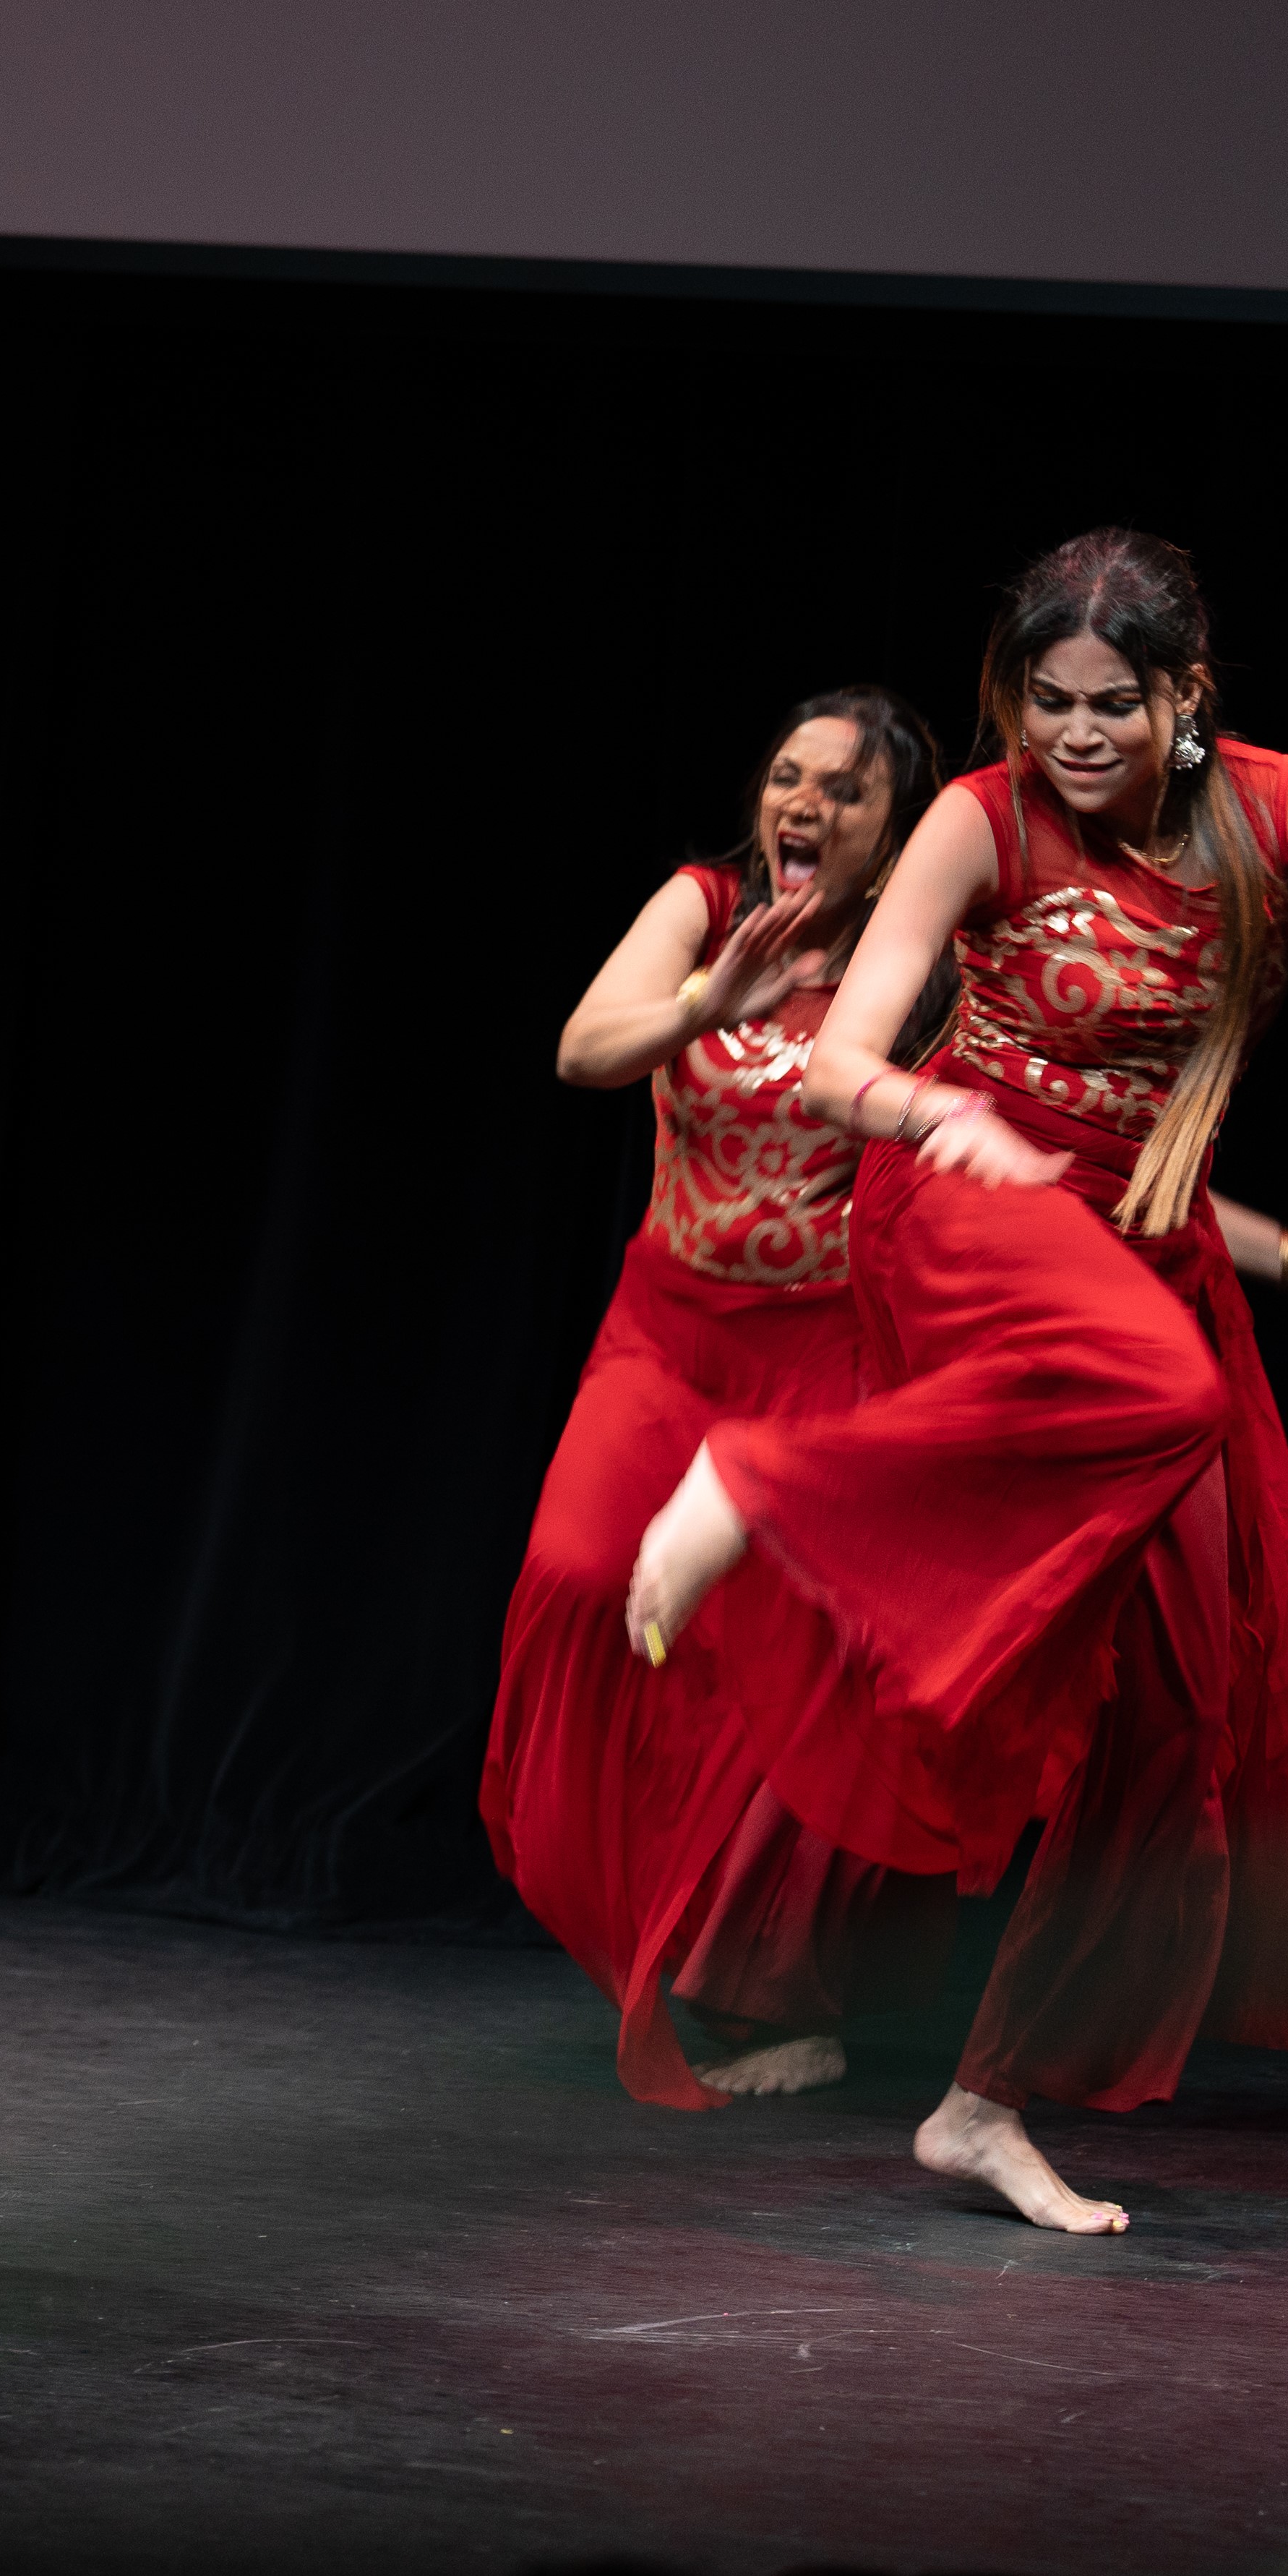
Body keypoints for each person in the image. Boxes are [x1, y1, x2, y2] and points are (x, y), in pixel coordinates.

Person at [629, 527, 1288, 2230]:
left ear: (1187, 693)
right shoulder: (976, 816)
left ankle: (987, 2097)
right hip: (956, 1206)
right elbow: (836, 1062)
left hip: (1140, 1254)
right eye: (1048, 702)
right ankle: (755, 1479)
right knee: (1166, 1389)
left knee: (1180, 1722)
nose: (1077, 735)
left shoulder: (1280, 810)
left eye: (1114, 703)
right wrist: (934, 1112)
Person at [483, 689, 956, 2105]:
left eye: (846, 792)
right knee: (582, 1581)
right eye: (789, 776)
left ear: (894, 838)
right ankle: (648, 1924)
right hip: (663, 1332)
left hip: (817, 1361)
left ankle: (761, 1991)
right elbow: (582, 1048)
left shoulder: (917, 971)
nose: (803, 806)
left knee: (776, 1675)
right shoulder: (700, 905)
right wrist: (712, 1000)